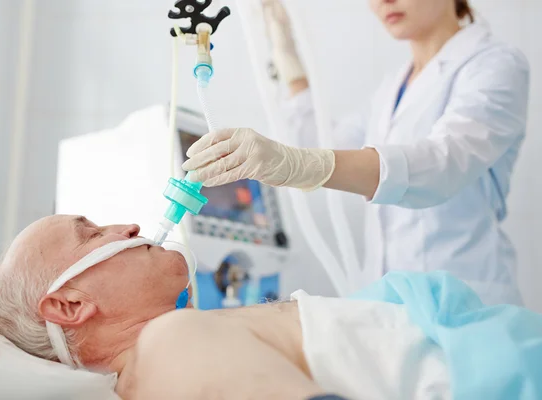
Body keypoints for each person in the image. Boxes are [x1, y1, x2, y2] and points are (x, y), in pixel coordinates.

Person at [182, 0, 530, 306]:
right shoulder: (393, 85)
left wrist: (302, 165)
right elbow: (320, 142)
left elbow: (443, 164)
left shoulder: (495, 64)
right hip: (390, 305)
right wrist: (285, 51)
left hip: (466, 305)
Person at [0, 215, 542, 399]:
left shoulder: (179, 344)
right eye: (92, 232)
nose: (128, 226)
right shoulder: (170, 343)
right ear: (70, 304)